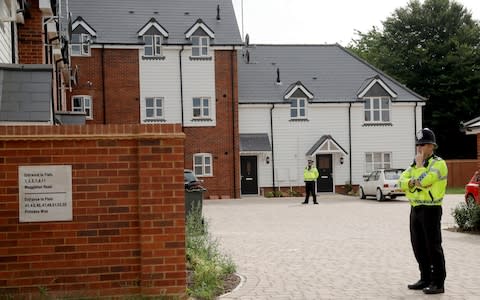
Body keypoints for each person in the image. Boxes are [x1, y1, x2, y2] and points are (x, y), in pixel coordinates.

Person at [399, 128, 448, 294]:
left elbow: (424, 181)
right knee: (418, 245)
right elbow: (401, 181)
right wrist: (413, 180)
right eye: (418, 145)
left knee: (432, 245)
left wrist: (418, 171)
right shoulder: (414, 165)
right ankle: (425, 278)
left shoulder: (439, 164)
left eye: (423, 144)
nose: (419, 148)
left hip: (431, 209)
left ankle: (438, 283)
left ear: (432, 146)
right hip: (416, 209)